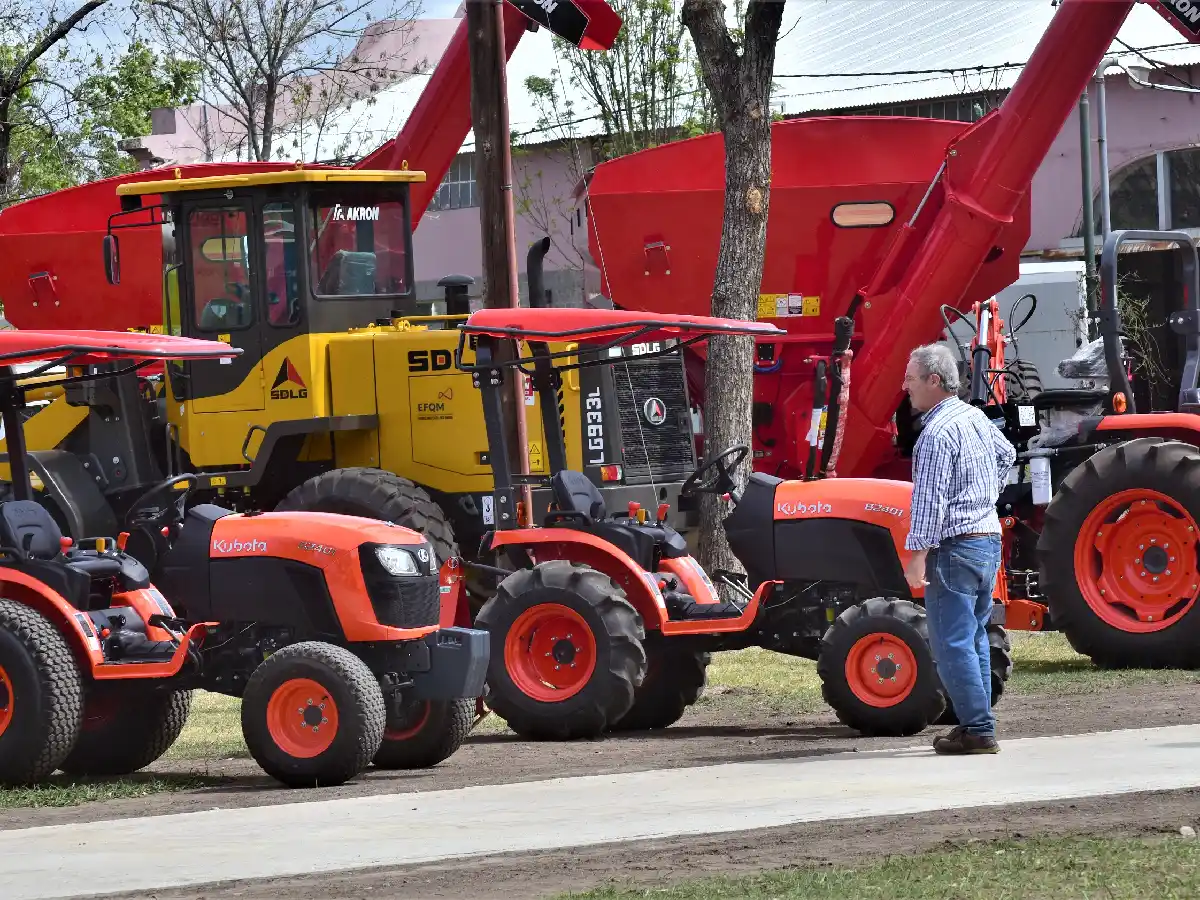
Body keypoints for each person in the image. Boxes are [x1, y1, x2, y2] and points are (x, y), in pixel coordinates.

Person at [901, 343, 1016, 755]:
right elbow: (1008, 454)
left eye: (911, 379)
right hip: (987, 540)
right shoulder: (975, 419)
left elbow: (929, 502)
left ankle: (978, 729)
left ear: (934, 381)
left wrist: (916, 556)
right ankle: (977, 723)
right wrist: (983, 496)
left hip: (955, 547)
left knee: (952, 642)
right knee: (976, 636)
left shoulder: (934, 434)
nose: (905, 386)